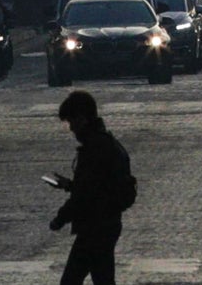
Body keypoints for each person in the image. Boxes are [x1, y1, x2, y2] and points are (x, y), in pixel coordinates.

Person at [48, 90, 134, 285]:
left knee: (71, 281)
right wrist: (70, 185)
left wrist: (60, 219)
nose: (70, 128)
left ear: (82, 118)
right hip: (107, 223)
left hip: (94, 226)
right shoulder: (106, 142)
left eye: (71, 122)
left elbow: (84, 195)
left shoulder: (94, 148)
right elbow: (96, 185)